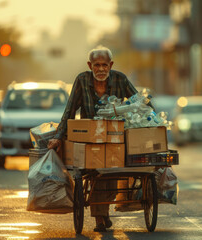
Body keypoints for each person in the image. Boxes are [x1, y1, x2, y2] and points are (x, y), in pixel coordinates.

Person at [48, 46, 140, 232]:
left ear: (110, 65)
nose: (100, 69)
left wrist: (153, 121)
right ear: (90, 65)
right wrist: (59, 136)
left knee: (112, 174)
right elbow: (70, 111)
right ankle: (100, 218)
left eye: (104, 65)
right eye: (96, 65)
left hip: (115, 137)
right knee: (98, 173)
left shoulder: (120, 79)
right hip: (89, 140)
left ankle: (102, 213)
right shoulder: (82, 80)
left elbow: (139, 102)